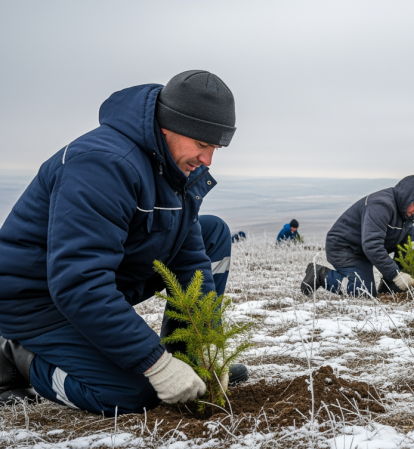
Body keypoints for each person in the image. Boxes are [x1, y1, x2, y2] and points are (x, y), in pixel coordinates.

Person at [0, 70, 248, 413]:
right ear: (168, 127)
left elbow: (189, 260)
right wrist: (156, 365)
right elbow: (79, 283)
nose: (208, 160)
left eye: (215, 148)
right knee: (131, 394)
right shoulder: (102, 165)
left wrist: (204, 351)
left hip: (99, 280)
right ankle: (17, 355)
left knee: (213, 234)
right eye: (202, 144)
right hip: (36, 301)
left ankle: (186, 359)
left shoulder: (175, 169)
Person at [301, 175, 414, 297]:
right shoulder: (380, 205)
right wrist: (396, 275)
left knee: (412, 233)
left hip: (363, 249)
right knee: (364, 291)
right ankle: (319, 274)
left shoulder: (405, 211)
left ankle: (390, 287)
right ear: (406, 197)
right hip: (345, 247)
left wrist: (408, 277)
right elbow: (372, 245)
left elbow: (406, 241)